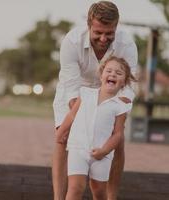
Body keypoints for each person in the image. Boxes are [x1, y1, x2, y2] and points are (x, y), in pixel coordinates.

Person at [52, 1, 138, 200]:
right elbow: (71, 88)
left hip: (112, 93)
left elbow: (129, 85)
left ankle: (111, 197)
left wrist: (117, 111)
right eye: (98, 32)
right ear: (89, 24)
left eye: (109, 33)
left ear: (116, 26)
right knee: (63, 137)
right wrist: (80, 122)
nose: (103, 38)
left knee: (118, 140)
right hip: (76, 93)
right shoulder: (71, 41)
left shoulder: (127, 44)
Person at [55, 56, 136, 200]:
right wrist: (61, 132)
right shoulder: (86, 94)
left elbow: (117, 134)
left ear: (124, 82)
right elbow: (72, 115)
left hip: (101, 155)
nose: (112, 74)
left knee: (99, 191)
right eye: (109, 71)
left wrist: (104, 150)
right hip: (78, 148)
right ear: (101, 75)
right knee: (75, 187)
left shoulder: (120, 106)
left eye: (118, 73)